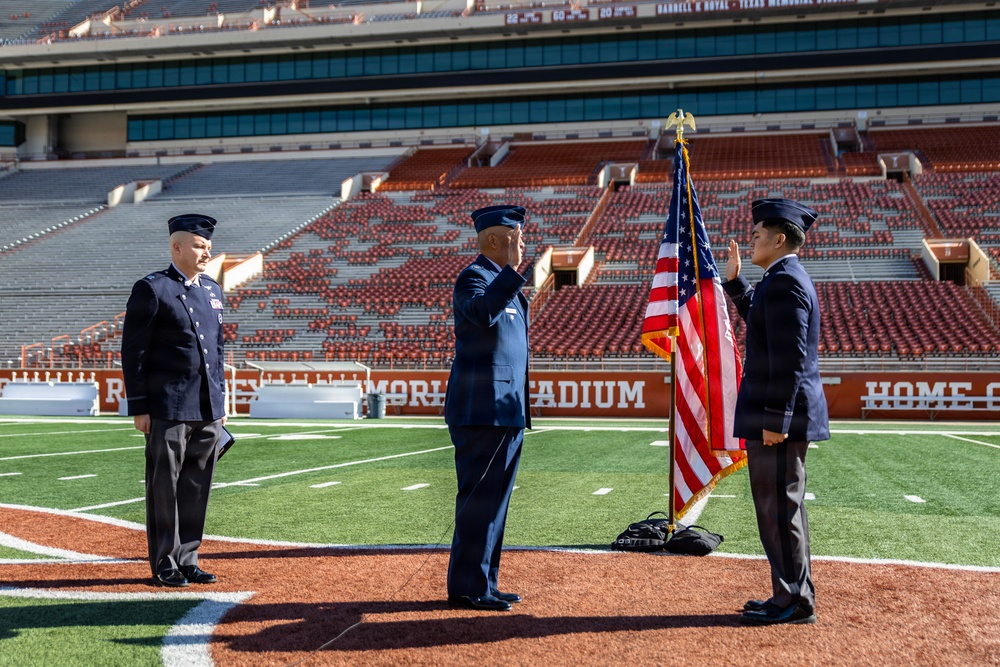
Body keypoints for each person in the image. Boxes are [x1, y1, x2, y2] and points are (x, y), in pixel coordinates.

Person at [722, 198, 830, 626]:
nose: (750, 239)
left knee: (779, 508)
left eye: (756, 234)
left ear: (778, 238)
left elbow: (790, 358)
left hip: (779, 419)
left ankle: (793, 600)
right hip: (780, 416)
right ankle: (791, 592)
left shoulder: (786, 281)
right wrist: (736, 285)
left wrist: (775, 421)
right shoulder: (779, 278)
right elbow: (762, 322)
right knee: (781, 508)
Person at [121, 213, 227, 588]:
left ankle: (189, 558)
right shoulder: (152, 289)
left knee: (197, 486)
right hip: (168, 407)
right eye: (199, 246)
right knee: (164, 487)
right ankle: (165, 562)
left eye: (209, 247)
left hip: (207, 409)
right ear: (176, 247)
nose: (206, 253)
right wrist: (139, 406)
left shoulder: (213, 291)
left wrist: (221, 405)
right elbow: (133, 352)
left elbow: (217, 351)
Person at [444, 204, 531, 612]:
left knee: (496, 504)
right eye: (516, 238)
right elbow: (481, 314)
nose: (523, 244)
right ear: (494, 240)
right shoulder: (473, 278)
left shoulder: (506, 284)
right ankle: (467, 586)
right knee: (479, 503)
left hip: (507, 412)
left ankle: (486, 582)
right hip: (481, 412)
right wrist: (513, 274)